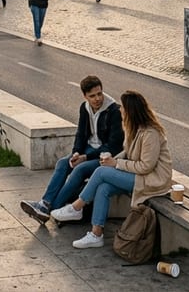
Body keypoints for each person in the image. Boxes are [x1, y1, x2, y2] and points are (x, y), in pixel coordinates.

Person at [51, 90, 174, 249]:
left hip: (153, 181)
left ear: (131, 111)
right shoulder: (135, 128)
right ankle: (96, 234)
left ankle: (76, 207)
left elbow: (146, 166)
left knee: (102, 172)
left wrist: (115, 164)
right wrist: (112, 158)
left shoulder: (150, 133)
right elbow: (128, 152)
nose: (120, 110)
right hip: (139, 176)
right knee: (103, 187)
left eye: (122, 108)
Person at [20, 76, 124, 223]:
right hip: (88, 149)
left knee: (79, 169)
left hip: (107, 156)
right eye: (92, 96)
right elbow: (81, 134)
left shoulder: (113, 111)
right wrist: (76, 152)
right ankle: (45, 204)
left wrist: (85, 158)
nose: (97, 99)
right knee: (63, 163)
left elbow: (114, 146)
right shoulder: (85, 107)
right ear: (85, 96)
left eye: (99, 94)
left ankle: (52, 210)